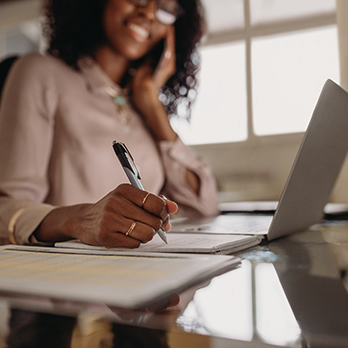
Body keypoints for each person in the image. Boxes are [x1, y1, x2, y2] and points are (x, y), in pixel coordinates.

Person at [0, 0, 218, 248]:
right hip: (67, 276)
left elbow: (205, 207)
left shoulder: (142, 105)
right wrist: (79, 220)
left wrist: (151, 103)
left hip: (143, 273)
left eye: (165, 8)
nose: (148, 12)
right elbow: (6, 211)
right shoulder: (39, 74)